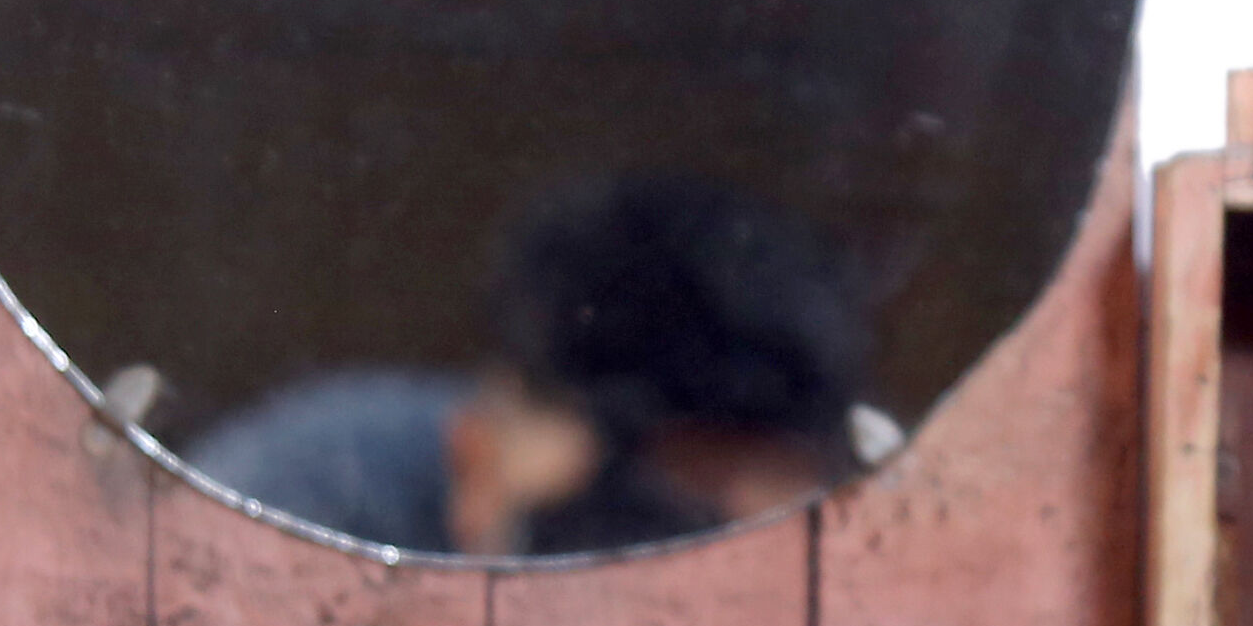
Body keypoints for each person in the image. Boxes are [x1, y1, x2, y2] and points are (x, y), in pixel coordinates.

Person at [183, 173, 877, 559]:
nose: (701, 575)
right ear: (475, 456)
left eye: (760, 538)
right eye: (660, 520)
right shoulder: (311, 497)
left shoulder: (848, 539)